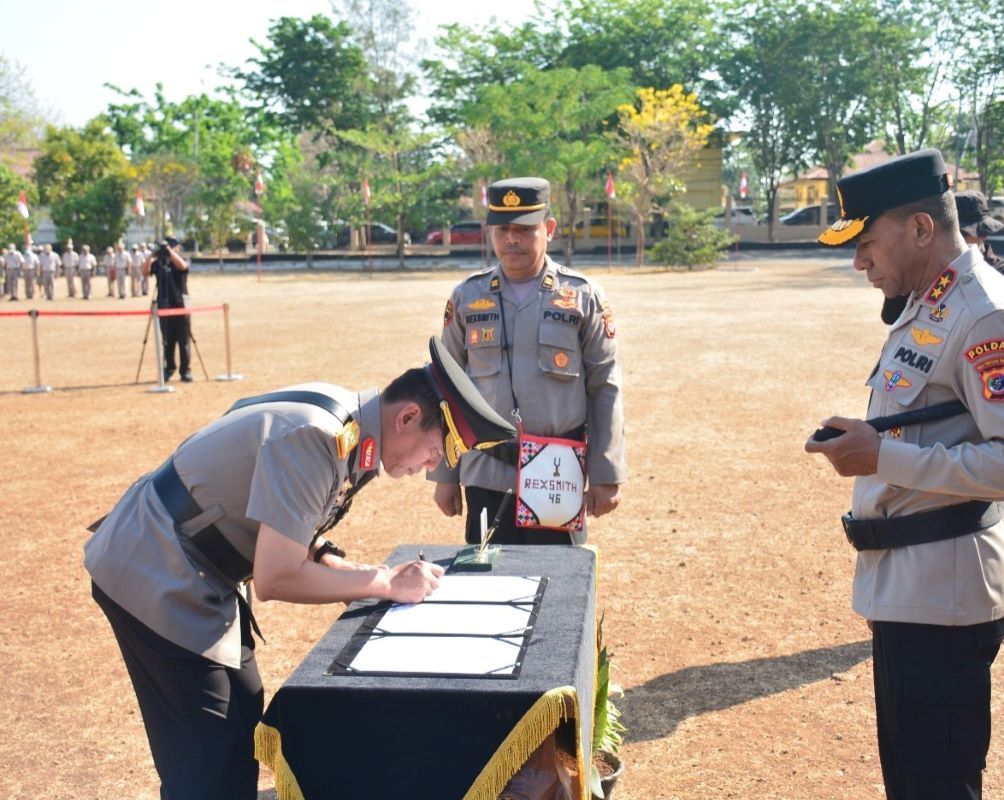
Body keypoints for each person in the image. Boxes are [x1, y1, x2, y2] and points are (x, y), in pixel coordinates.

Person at [84, 337, 516, 800]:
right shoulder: (319, 436)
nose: (428, 467)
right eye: (435, 451)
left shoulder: (350, 423)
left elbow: (278, 501)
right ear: (408, 417)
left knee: (241, 710)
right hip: (155, 566)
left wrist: (334, 559)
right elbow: (275, 576)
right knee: (208, 752)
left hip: (192, 564)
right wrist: (384, 582)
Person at [806, 149, 1004, 799]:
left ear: (920, 229)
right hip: (910, 588)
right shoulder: (929, 302)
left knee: (937, 789)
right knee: (913, 783)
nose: (858, 259)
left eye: (866, 241)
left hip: (945, 595)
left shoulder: (983, 312)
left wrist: (881, 456)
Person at [430, 177, 626, 545]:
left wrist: (606, 471)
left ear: (548, 229)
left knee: (559, 586)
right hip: (484, 473)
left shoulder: (582, 297)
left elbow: (605, 387)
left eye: (523, 229)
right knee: (486, 584)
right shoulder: (468, 297)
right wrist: (446, 473)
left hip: (557, 471)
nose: (511, 239)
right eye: (502, 229)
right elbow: (445, 389)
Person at [881, 191, 1004, 325]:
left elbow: (999, 326)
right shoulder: (927, 269)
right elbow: (891, 316)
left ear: (983, 235)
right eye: (950, 234)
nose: (955, 240)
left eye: (963, 234)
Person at [144, 237, 192, 382]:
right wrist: (151, 255)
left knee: (183, 341)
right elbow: (144, 272)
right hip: (164, 306)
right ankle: (169, 367)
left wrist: (170, 252)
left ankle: (185, 371)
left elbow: (183, 266)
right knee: (167, 341)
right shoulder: (158, 264)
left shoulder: (179, 261)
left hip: (180, 306)